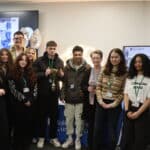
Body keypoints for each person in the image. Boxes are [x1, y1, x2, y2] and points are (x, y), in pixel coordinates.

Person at [93, 48, 127, 150]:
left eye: (116, 57)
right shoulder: (104, 69)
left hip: (114, 105)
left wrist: (113, 104)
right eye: (112, 57)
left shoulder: (125, 72)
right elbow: (98, 87)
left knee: (111, 130)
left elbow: (123, 92)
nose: (114, 59)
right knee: (98, 130)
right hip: (101, 102)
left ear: (120, 58)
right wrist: (100, 101)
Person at [33, 40, 64, 148]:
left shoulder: (60, 61)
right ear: (46, 49)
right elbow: (33, 75)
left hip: (54, 94)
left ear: (56, 49)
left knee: (54, 117)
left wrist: (61, 75)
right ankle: (41, 138)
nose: (52, 50)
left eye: (54, 48)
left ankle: (53, 138)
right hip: (42, 94)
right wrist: (44, 73)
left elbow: (61, 78)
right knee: (42, 117)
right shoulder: (39, 61)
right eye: (50, 48)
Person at [61, 45, 91, 150]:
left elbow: (89, 84)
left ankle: (78, 139)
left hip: (81, 100)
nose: (77, 56)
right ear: (72, 55)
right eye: (75, 54)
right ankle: (69, 139)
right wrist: (62, 94)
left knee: (79, 122)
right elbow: (64, 83)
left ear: (82, 55)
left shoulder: (87, 68)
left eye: (79, 54)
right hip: (69, 99)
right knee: (68, 120)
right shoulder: (66, 67)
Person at [120, 54, 150, 150]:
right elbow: (126, 94)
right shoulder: (130, 77)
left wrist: (138, 113)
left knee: (140, 139)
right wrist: (127, 110)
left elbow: (149, 99)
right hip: (130, 108)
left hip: (143, 110)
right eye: (135, 62)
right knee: (127, 137)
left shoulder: (149, 78)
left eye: (140, 62)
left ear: (145, 63)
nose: (137, 64)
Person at [8, 53, 37, 150]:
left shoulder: (31, 73)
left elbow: (35, 88)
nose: (23, 62)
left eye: (25, 60)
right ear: (18, 61)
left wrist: (31, 100)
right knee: (18, 127)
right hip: (18, 105)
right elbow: (13, 90)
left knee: (28, 126)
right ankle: (17, 146)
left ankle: (26, 145)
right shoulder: (12, 73)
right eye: (21, 59)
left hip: (30, 104)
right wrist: (24, 99)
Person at [82, 50, 103, 150]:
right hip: (90, 103)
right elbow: (82, 85)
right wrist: (87, 88)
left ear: (101, 58)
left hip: (101, 103)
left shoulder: (105, 71)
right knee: (91, 127)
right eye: (94, 58)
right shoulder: (88, 71)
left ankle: (98, 146)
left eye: (97, 58)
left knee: (99, 127)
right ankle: (90, 146)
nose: (95, 60)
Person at [0, 48, 13, 148]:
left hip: (11, 98)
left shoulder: (12, 67)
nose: (4, 56)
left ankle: (8, 142)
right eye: (2, 55)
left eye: (6, 55)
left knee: (10, 121)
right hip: (1, 99)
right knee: (3, 122)